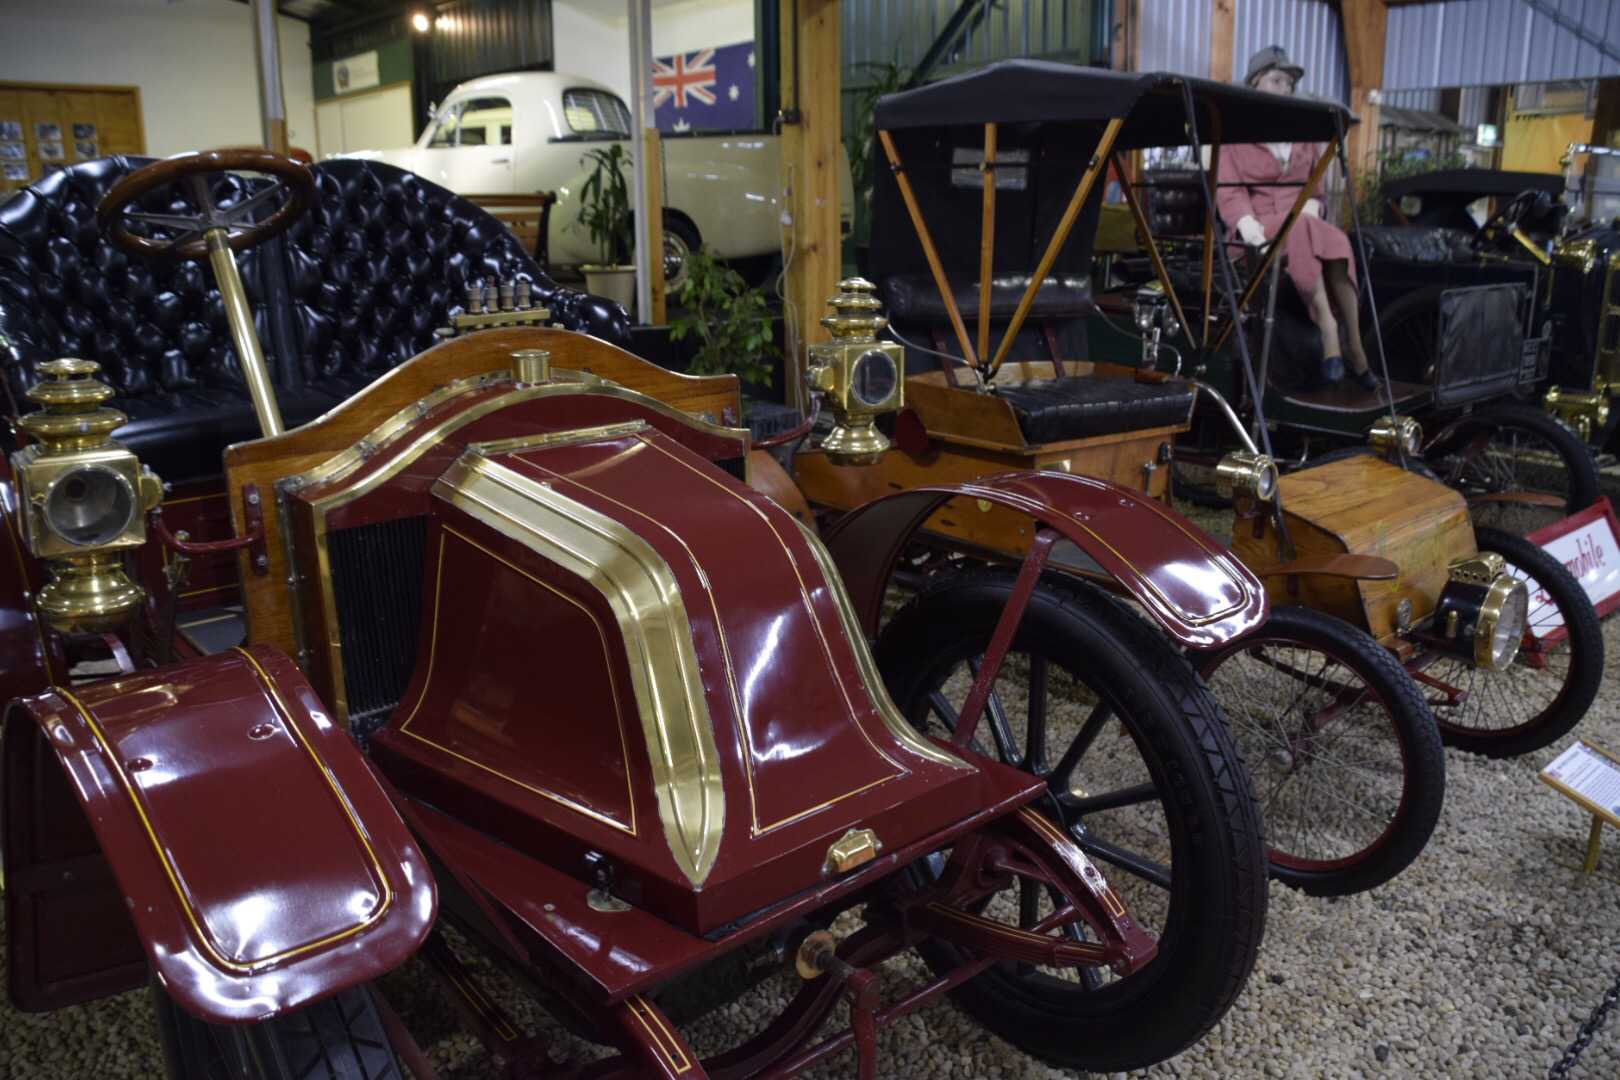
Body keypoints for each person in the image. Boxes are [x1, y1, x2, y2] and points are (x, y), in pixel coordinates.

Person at [1216, 46, 1376, 391]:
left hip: (1300, 223)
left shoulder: (1304, 135)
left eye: (1289, 83)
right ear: (1256, 83)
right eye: (1277, 80)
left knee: (1337, 239)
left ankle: (1353, 341)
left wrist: (1309, 210)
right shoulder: (1234, 135)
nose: (1286, 89)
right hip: (1256, 229)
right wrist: (1250, 229)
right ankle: (1328, 329)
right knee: (1303, 228)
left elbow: (1315, 191)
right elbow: (1229, 193)